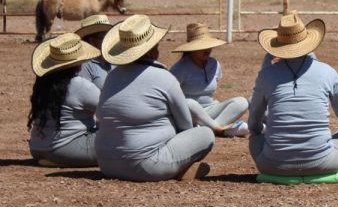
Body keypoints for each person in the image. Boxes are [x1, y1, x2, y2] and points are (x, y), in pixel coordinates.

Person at [95, 15, 214, 181]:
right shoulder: (163, 77)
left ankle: (174, 168)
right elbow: (185, 125)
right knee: (206, 134)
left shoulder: (112, 76)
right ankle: (177, 169)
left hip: (106, 163)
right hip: (145, 165)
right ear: (152, 50)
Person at [248, 11, 338, 176]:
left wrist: (257, 131)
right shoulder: (327, 71)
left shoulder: (266, 75)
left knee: (255, 138)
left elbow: (254, 119)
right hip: (323, 163)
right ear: (310, 43)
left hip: (273, 165)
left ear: (277, 47)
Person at [28, 33, 101, 167]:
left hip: (37, 148)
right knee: (116, 135)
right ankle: (61, 159)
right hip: (64, 149)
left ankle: (53, 159)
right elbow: (110, 109)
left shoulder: (44, 84)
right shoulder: (79, 85)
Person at [170, 23, 249, 138]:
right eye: (201, 46)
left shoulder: (214, 64)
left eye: (208, 46)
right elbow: (171, 97)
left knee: (242, 102)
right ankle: (219, 129)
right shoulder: (179, 68)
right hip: (189, 114)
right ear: (191, 49)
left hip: (211, 110)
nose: (207, 50)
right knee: (189, 103)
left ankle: (211, 128)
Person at [75, 14, 113, 89]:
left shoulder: (113, 60)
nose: (107, 40)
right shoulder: (84, 66)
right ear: (90, 40)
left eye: (108, 36)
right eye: (102, 37)